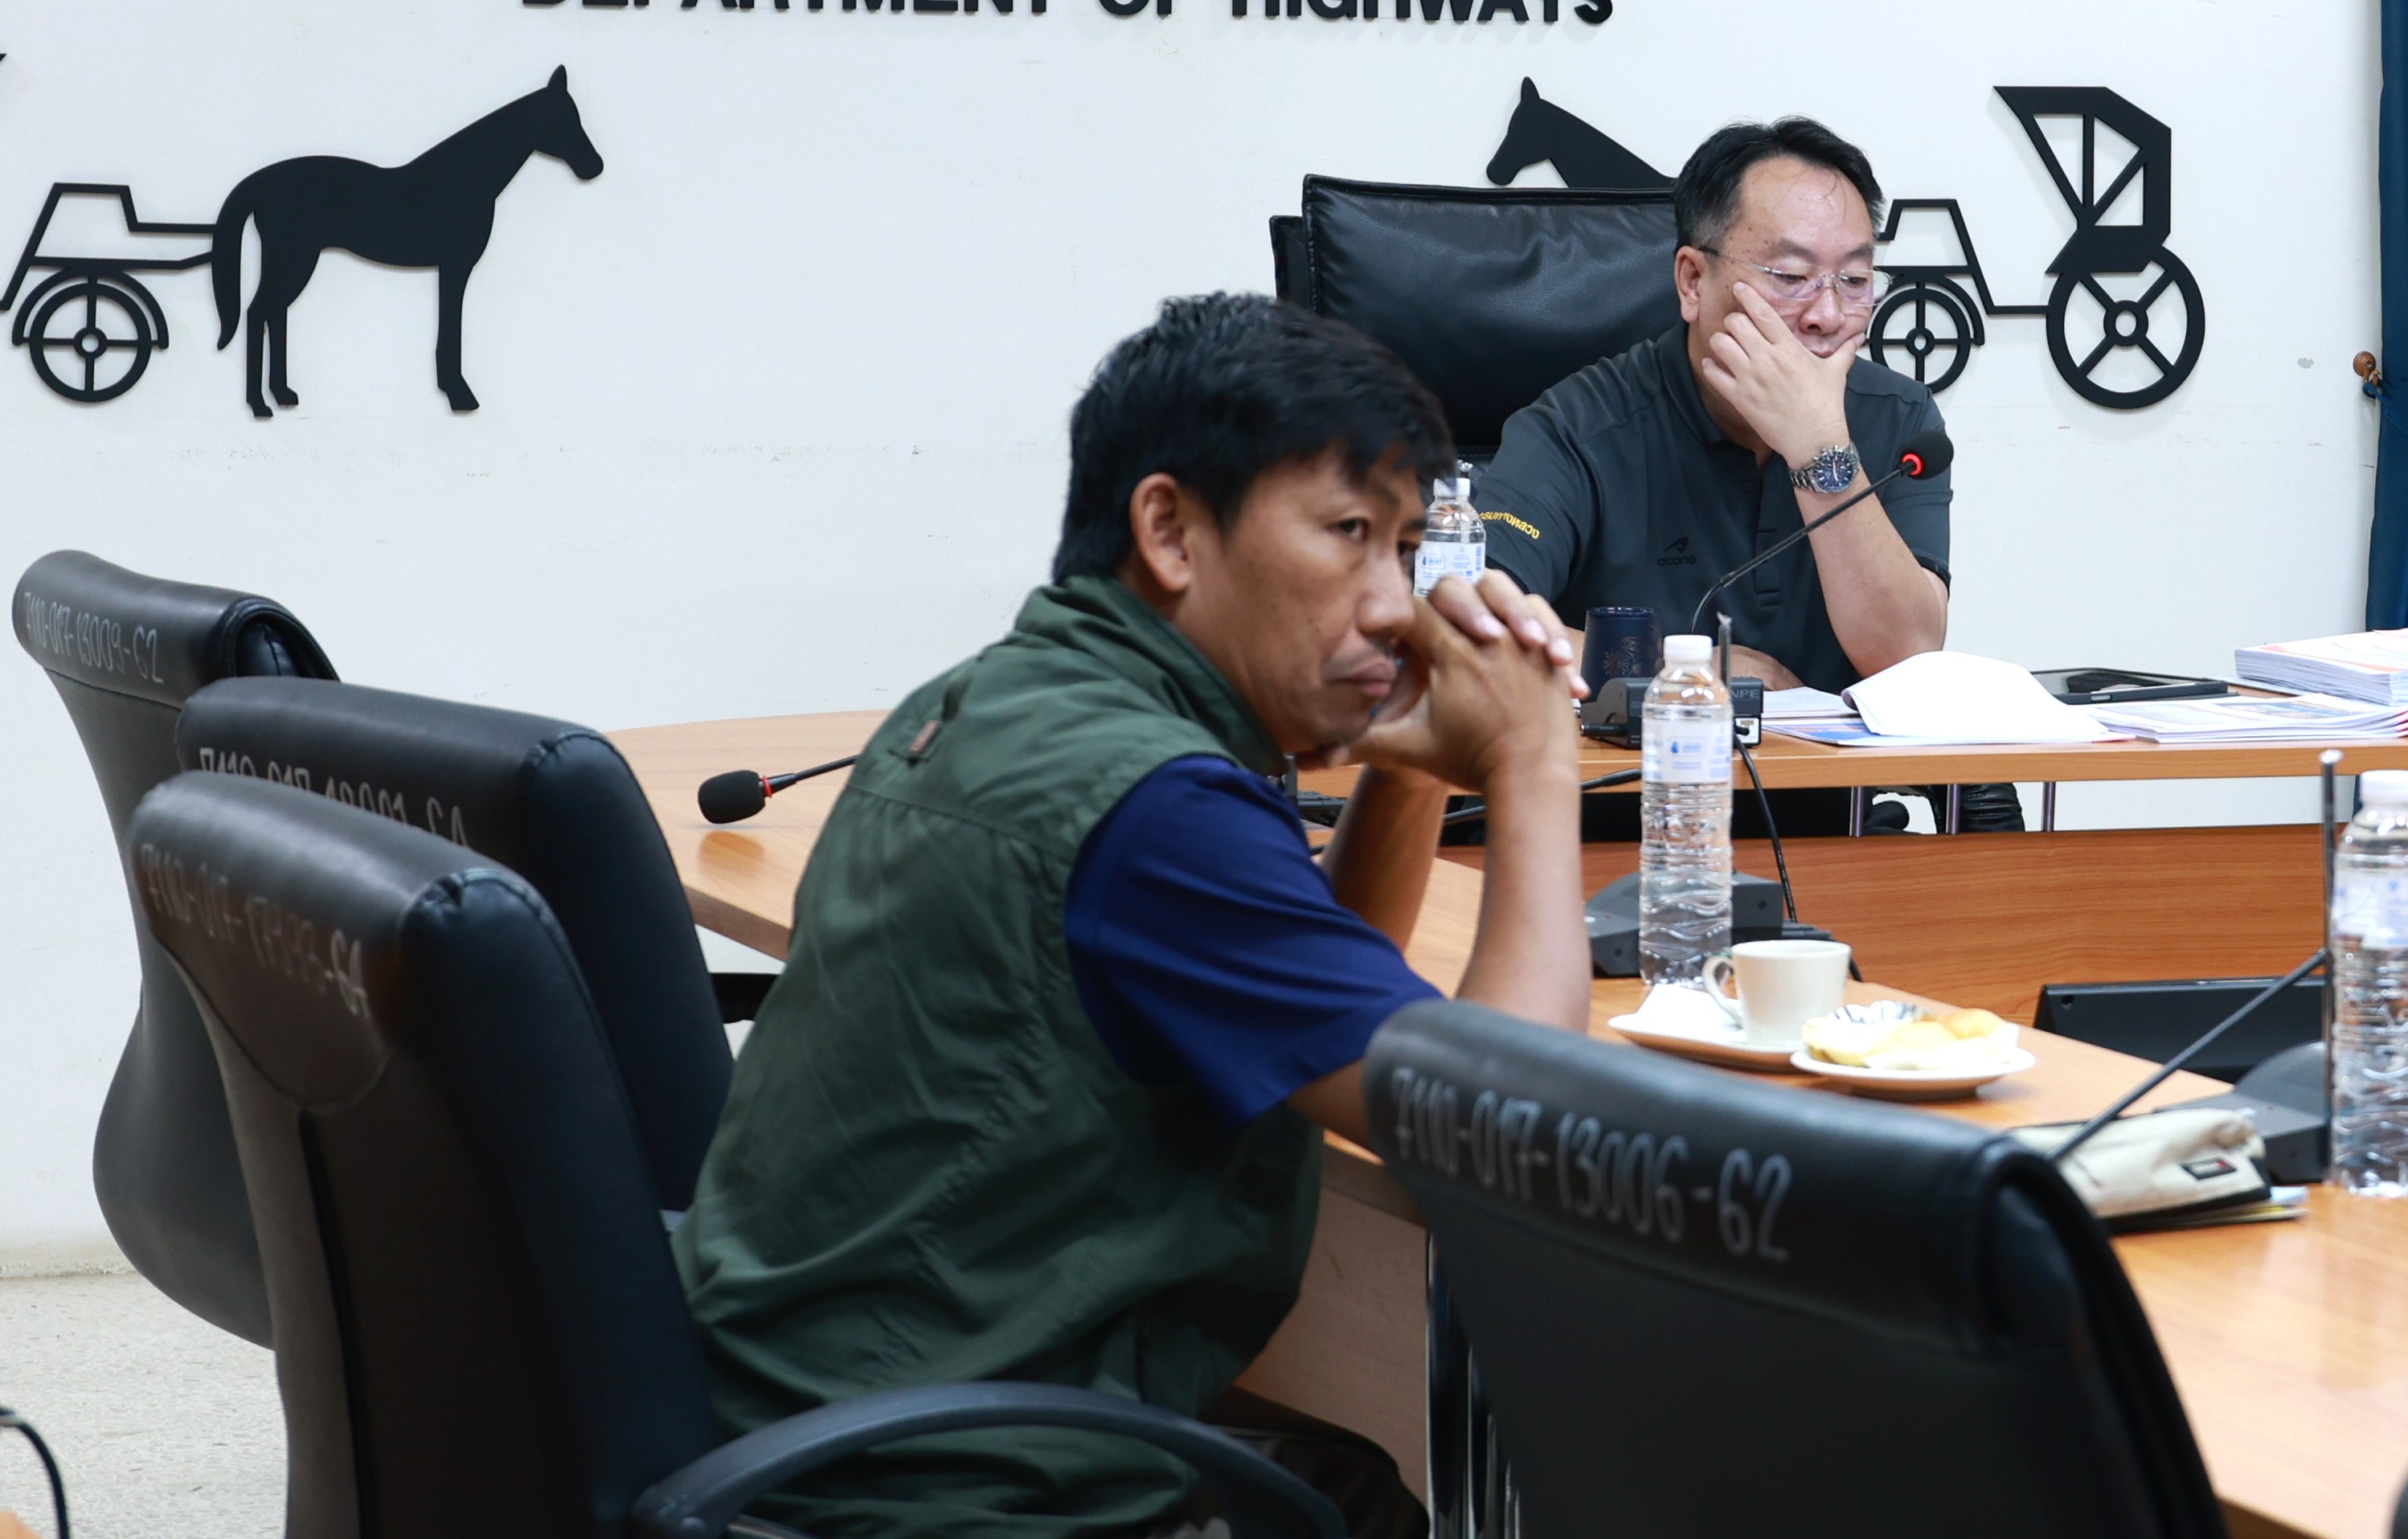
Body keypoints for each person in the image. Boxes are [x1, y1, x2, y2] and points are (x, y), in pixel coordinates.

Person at [678, 295, 1591, 1539]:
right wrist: (1534, 760)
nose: (1396, 605)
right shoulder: (1156, 808)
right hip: (935, 1492)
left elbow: (1311, 999)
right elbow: (1518, 1135)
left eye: (1407, 546)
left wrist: (1413, 768)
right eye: (1349, 533)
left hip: (802, 1418)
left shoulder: (996, 697)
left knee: (1362, 1486)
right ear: (1169, 528)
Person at [1471, 115, 1951, 698]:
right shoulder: (1580, 427)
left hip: (1828, 762)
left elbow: (1908, 659)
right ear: (1693, 281)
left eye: (1853, 279)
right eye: (1791, 275)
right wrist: (1683, 669)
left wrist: (1820, 448)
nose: (1827, 314)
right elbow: (1471, 625)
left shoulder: (1900, 419)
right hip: (1642, 757)